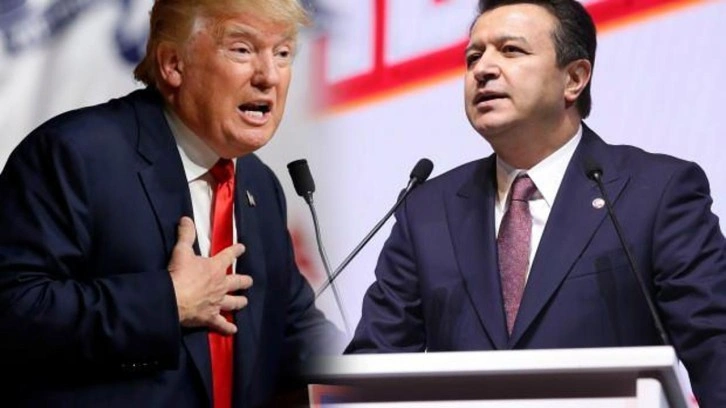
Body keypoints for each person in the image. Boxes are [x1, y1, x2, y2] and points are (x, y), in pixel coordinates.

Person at [345, 0, 726, 406]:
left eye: (511, 50)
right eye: (473, 57)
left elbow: (715, 346)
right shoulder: (427, 211)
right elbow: (372, 368)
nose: (483, 69)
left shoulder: (656, 192)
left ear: (574, 79)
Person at [0, 0, 340, 406]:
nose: (269, 76)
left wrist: (382, 367)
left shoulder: (259, 184)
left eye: (283, 53)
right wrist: (168, 302)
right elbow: (14, 311)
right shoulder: (75, 154)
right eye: (242, 49)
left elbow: (292, 327)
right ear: (173, 64)